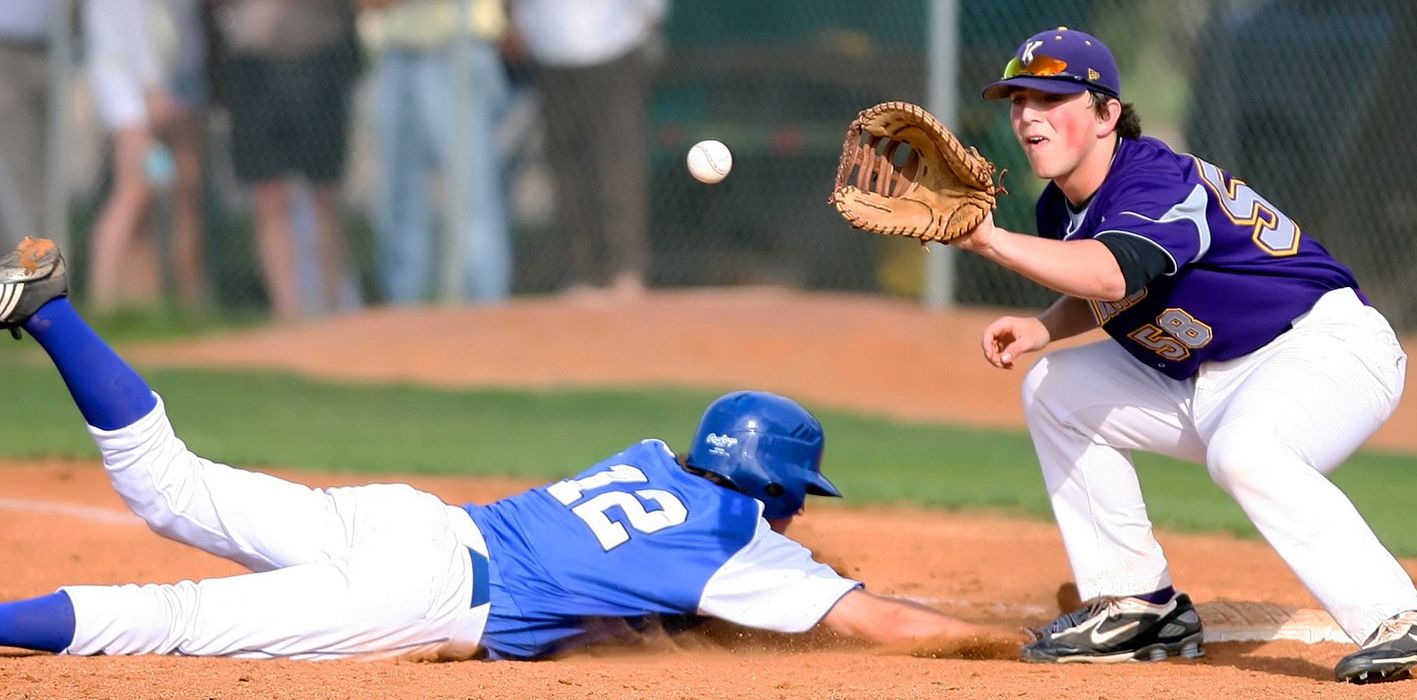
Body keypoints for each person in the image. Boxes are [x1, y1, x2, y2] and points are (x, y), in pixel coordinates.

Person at [0, 237, 989, 660]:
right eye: (796, 492)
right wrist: (1013, 644)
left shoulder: (646, 456)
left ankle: (49, 315)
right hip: (425, 594)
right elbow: (890, 630)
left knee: (168, 483)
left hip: (403, 518)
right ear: (770, 482)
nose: (800, 511)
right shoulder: (741, 545)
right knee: (174, 620)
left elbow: (621, 586)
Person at [952, 27, 1417, 683]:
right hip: (1208, 376)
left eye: (1050, 97)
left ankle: (1408, 623)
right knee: (1054, 388)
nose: (1028, 114)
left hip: (1323, 347)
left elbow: (1118, 271)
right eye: (1018, 99)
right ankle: (1138, 608)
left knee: (1247, 452)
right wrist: (1044, 328)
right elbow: (1118, 287)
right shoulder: (1058, 208)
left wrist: (988, 242)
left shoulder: (1154, 180)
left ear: (1107, 113)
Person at [214, 0, 360, 320]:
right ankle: (287, 313)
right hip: (253, 62)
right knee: (269, 193)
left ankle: (336, 308)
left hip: (319, 53)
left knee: (324, 190)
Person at [508, 0, 665, 299]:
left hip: (615, 45)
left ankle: (624, 269)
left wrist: (646, 19)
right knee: (565, 165)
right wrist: (522, 27)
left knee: (616, 161)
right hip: (550, 51)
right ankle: (582, 273)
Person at [361, 0, 514, 305]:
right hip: (396, 52)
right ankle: (404, 308)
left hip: (459, 48)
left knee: (472, 193)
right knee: (398, 195)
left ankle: (487, 307)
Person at [83, 0, 211, 313]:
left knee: (178, 190)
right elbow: (130, 27)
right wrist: (151, 87)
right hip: (132, 85)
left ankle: (164, 303)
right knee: (135, 193)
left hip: (177, 80)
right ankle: (103, 302)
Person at [0, 0, 52, 249]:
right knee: (19, 185)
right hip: (9, 45)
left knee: (41, 182)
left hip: (50, 46)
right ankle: (28, 278)